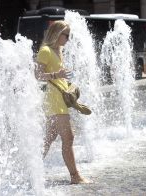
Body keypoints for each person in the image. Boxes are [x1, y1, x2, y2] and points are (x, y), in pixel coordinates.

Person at [35, 20, 90, 184]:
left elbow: (57, 74)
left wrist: (68, 83)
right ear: (58, 34)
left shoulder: (57, 51)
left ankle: (29, 169)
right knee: (69, 137)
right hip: (54, 99)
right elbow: (37, 75)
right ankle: (75, 176)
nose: (68, 39)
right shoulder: (45, 50)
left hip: (59, 98)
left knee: (49, 139)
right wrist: (56, 75)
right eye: (67, 35)